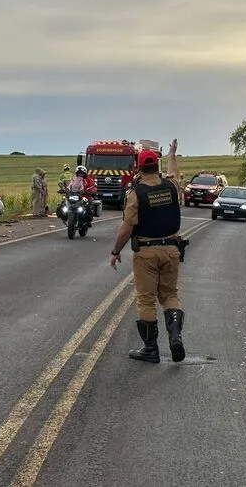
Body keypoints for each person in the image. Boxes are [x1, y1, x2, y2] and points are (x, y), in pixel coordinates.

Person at [109, 139, 185, 363]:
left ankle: (151, 349)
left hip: (146, 252)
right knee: (170, 295)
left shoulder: (136, 193)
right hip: (172, 249)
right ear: (157, 167)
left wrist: (115, 251)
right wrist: (172, 154)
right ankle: (175, 336)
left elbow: (127, 228)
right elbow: (173, 173)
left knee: (146, 299)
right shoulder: (171, 186)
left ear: (139, 167)